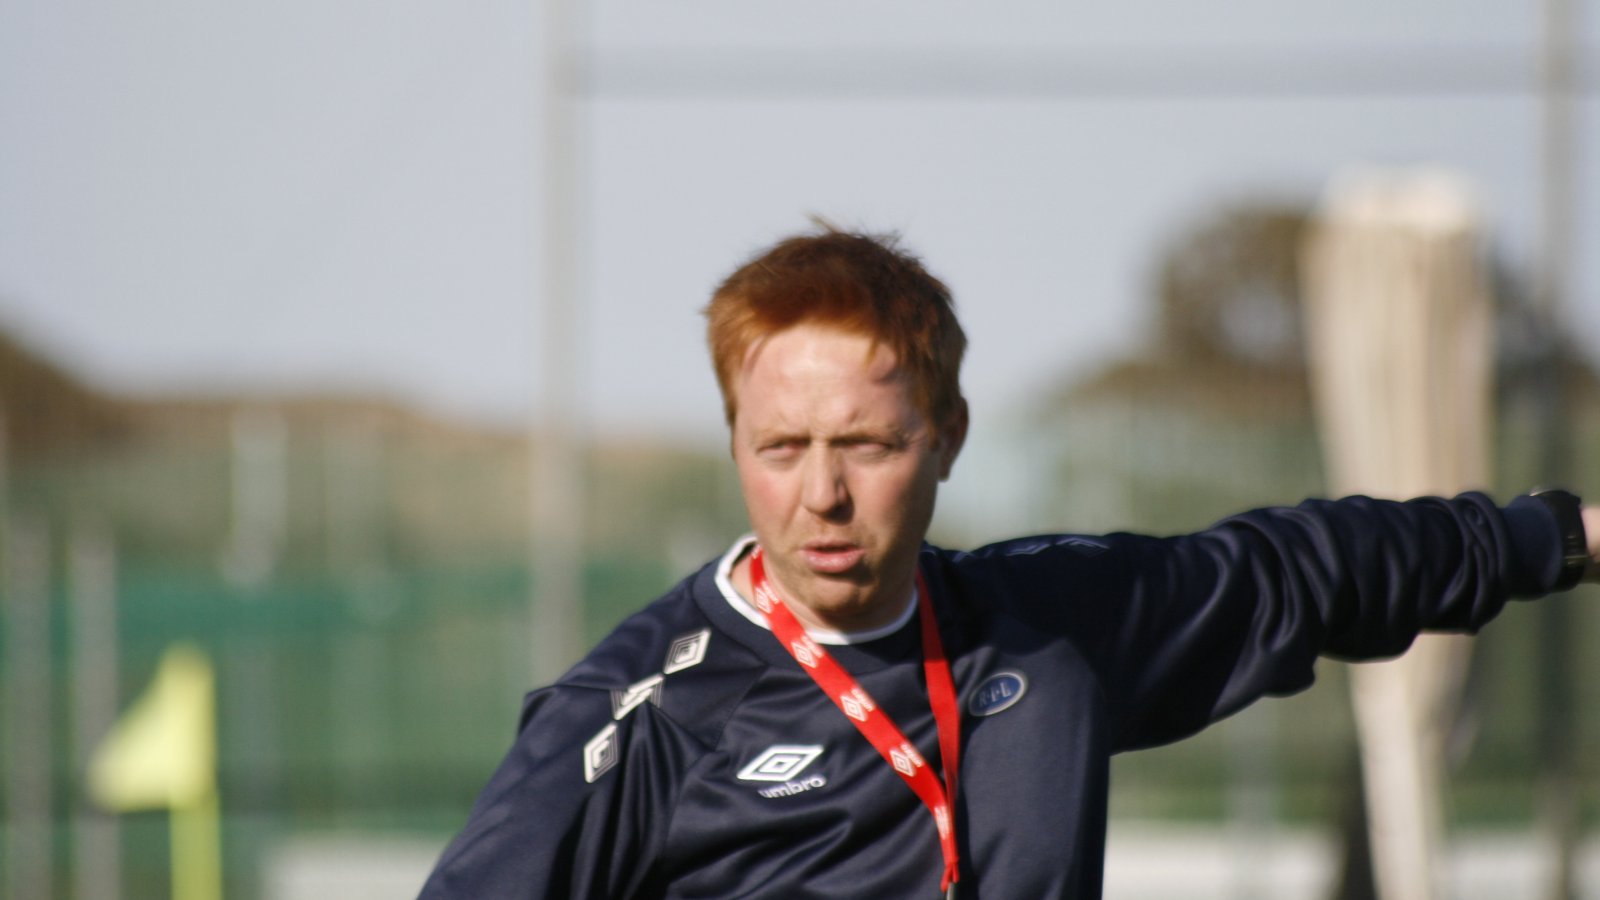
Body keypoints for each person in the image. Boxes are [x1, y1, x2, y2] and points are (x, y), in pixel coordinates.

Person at [418, 227, 1597, 899]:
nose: (821, 493)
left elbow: (1309, 569)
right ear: (737, 445)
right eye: (780, 448)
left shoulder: (1046, 628)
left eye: (865, 445)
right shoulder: (640, 715)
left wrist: (1562, 536)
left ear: (946, 437)